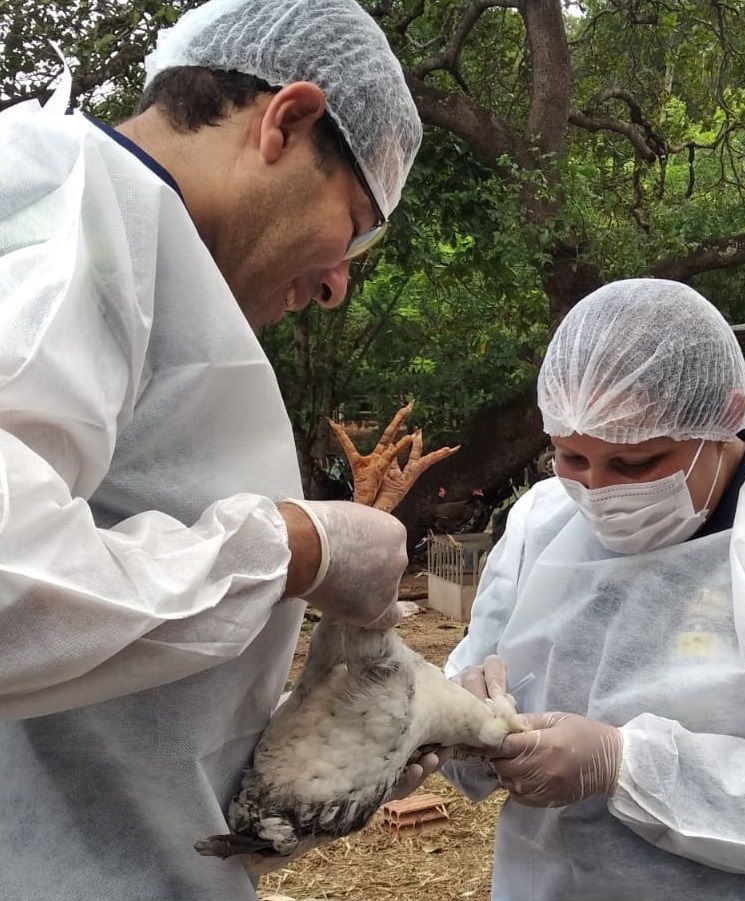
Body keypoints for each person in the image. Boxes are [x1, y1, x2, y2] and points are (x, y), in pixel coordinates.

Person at [0, 1, 424, 899]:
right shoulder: (65, 213)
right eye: (354, 223)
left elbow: (117, 695)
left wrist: (339, 755)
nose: (338, 282)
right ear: (288, 120)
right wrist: (296, 548)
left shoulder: (153, 272)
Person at [444, 278, 745, 900]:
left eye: (636, 464)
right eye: (571, 458)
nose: (598, 490)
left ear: (723, 419)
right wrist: (460, 718)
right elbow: (476, 668)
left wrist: (623, 765)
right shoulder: (543, 519)